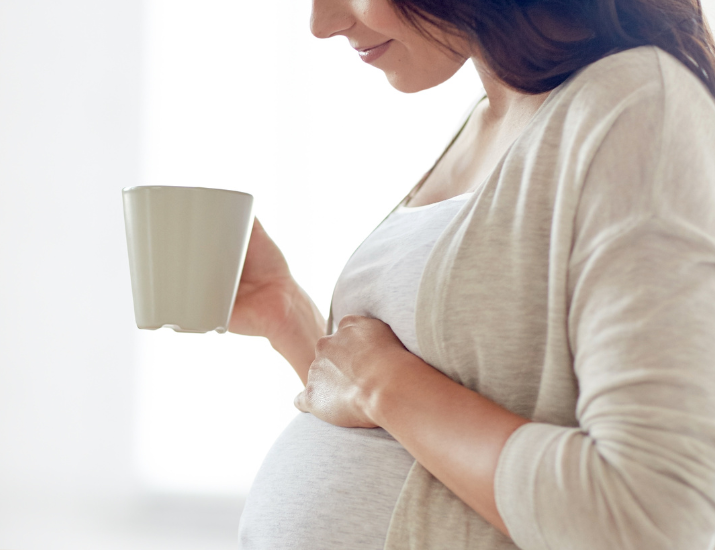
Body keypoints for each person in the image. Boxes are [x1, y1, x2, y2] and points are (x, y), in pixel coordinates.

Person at [228, 0, 715, 548]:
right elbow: (422, 441)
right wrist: (292, 320)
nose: (322, 24)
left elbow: (654, 520)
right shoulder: (490, 115)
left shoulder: (634, 106)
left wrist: (383, 383)